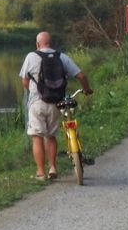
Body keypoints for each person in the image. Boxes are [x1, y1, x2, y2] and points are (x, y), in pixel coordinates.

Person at [19, 31, 93, 180]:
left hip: (36, 103)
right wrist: (86, 89)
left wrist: (35, 91)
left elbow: (25, 81)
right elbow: (81, 76)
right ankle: (52, 167)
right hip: (56, 103)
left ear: (37, 44)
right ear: (50, 43)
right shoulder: (61, 57)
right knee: (51, 136)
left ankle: (40, 172)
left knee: (37, 137)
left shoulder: (31, 56)